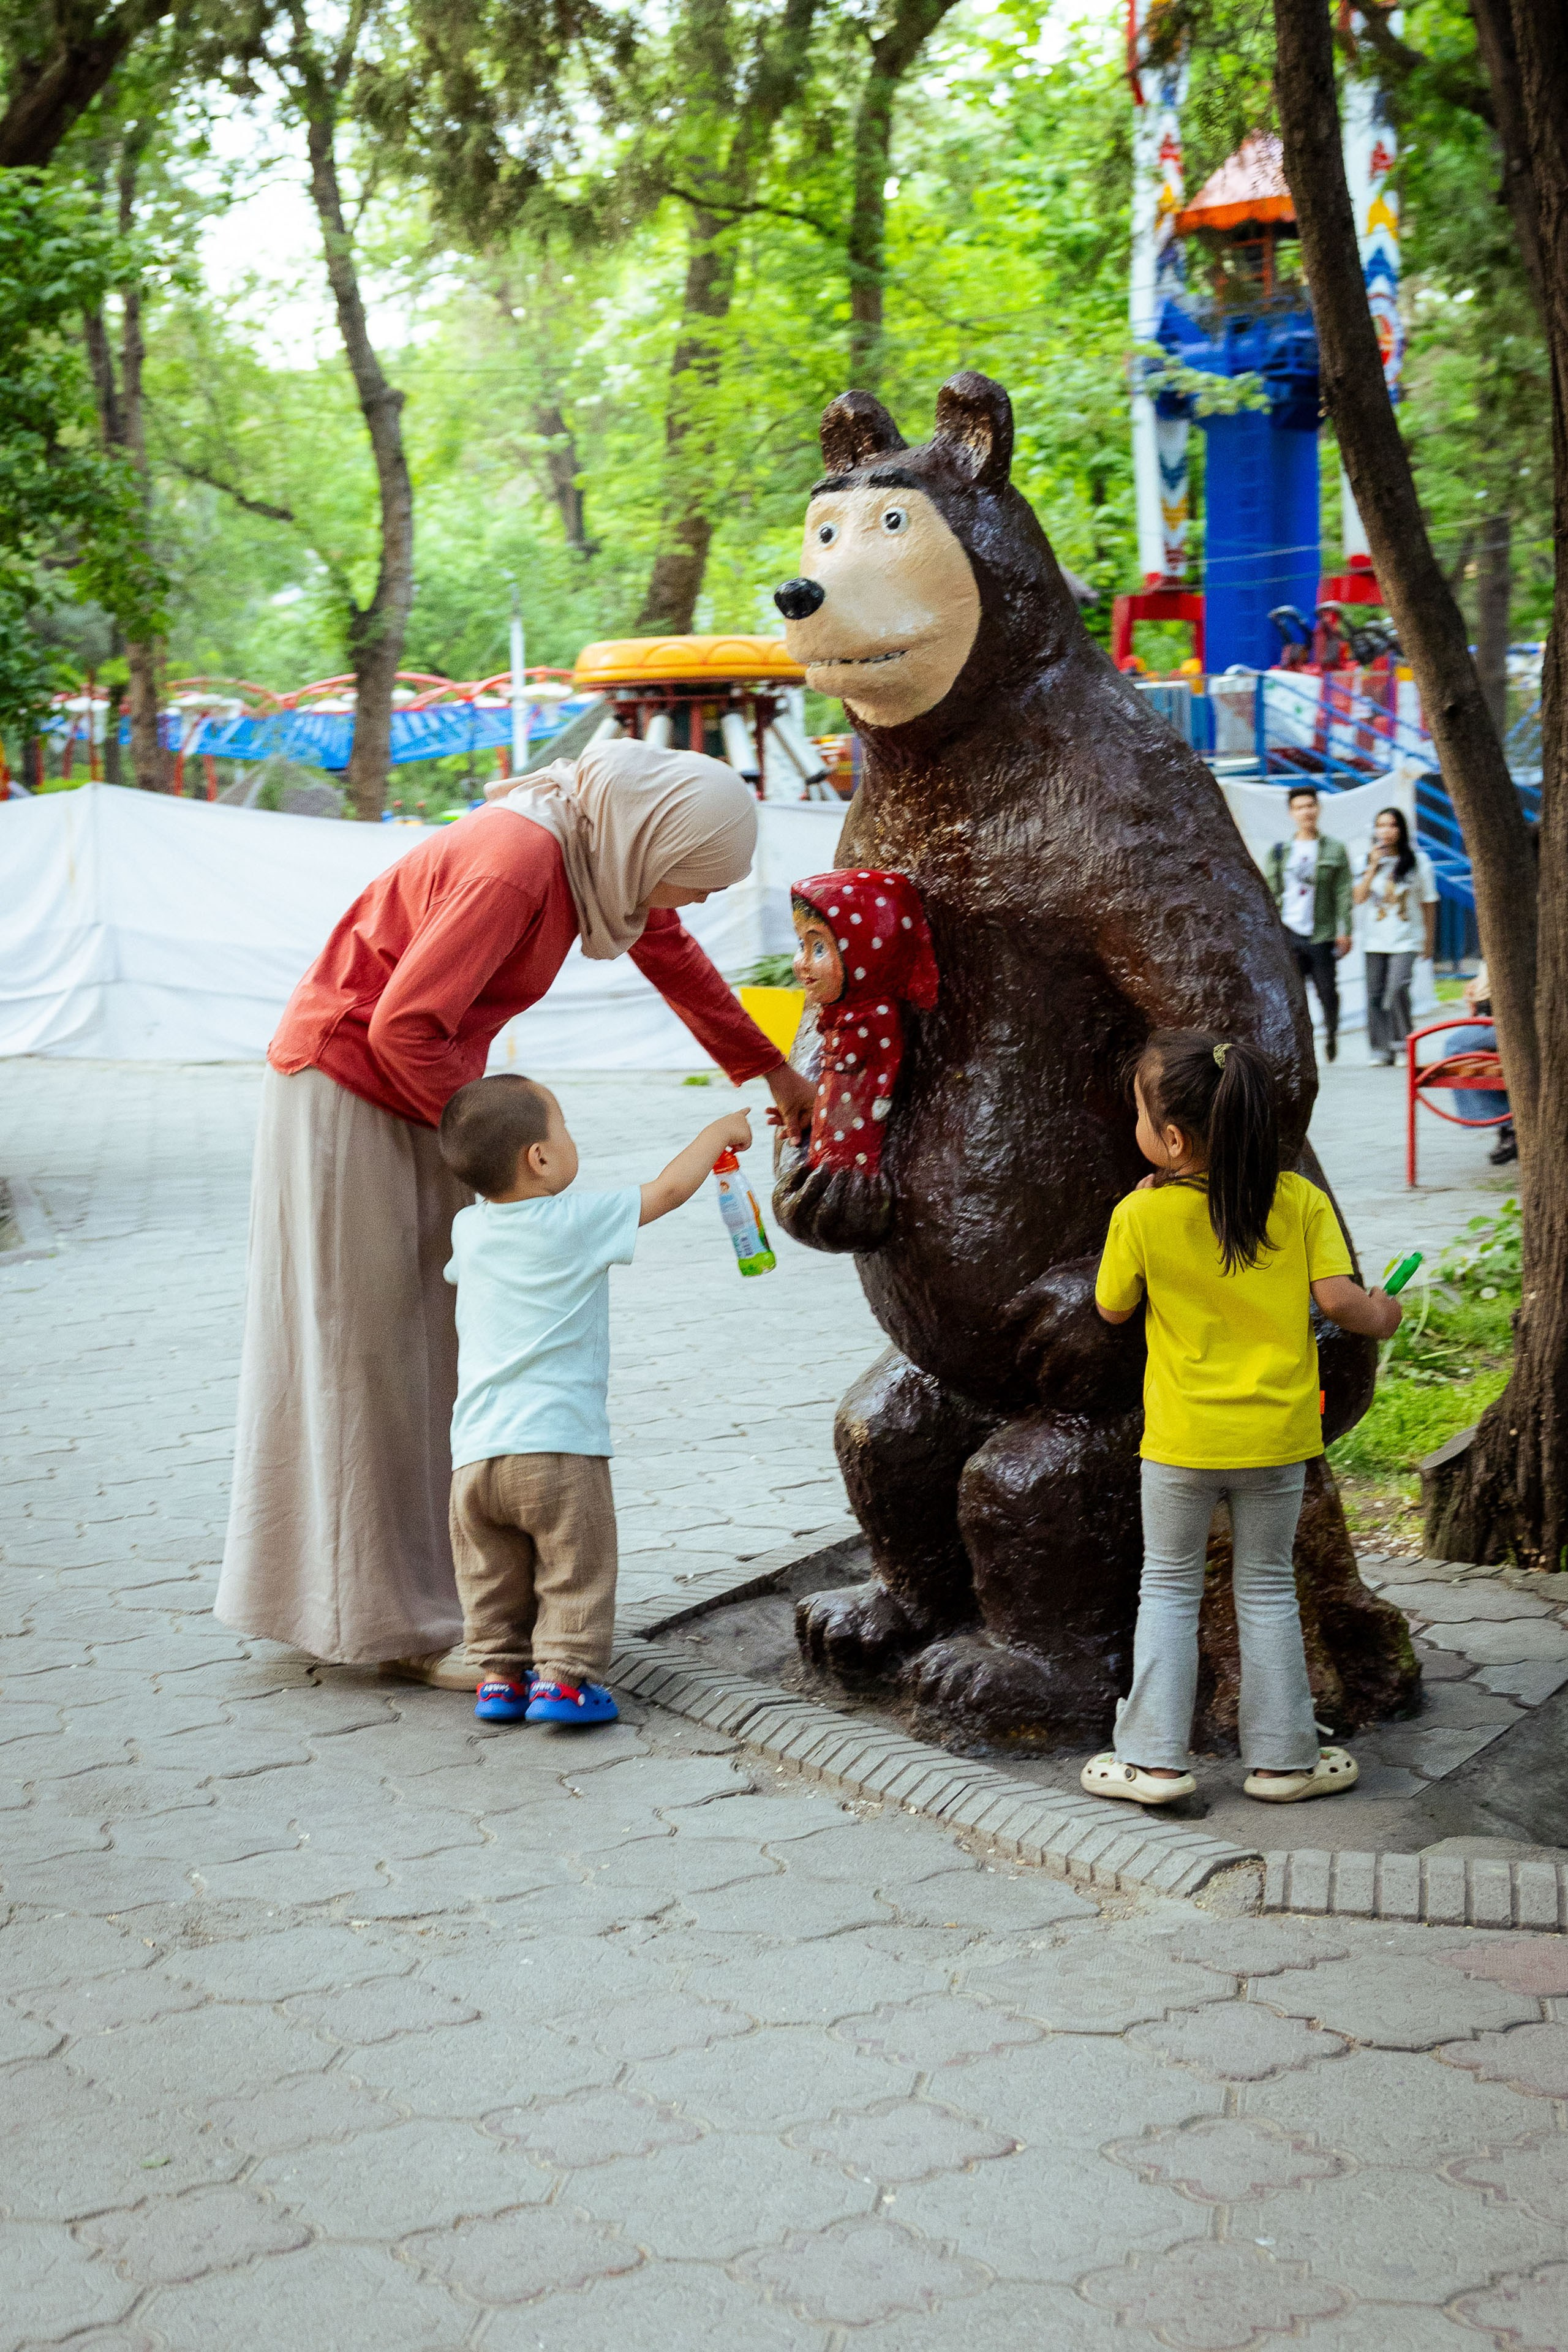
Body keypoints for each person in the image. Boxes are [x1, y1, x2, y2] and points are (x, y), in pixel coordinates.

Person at [216, 739, 816, 1681]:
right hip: (351, 1092)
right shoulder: (520, 863)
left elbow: (671, 953)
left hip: (409, 1090)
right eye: (686, 879)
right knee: (376, 1353)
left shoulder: (587, 846)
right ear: (646, 837)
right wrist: (502, 1166)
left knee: (434, 1344)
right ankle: (402, 1629)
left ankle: (446, 1599)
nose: (687, 900)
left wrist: (772, 1068)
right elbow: (404, 1026)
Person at [1081, 1028, 1401, 1807]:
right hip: (1275, 1439)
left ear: (1173, 1137)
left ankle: (1153, 1764)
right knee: (1265, 1589)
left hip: (1183, 1442)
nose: (1135, 1126)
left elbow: (1111, 1306)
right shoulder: (1297, 1202)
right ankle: (1284, 1762)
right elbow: (1338, 1302)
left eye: (1137, 1113)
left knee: (1167, 1588)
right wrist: (1383, 1314)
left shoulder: (1142, 1214)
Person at [436, 1075, 755, 1727]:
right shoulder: (574, 1220)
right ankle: (565, 1681)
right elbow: (665, 1192)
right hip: (558, 1448)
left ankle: (498, 1677)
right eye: (566, 1130)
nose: (572, 1141)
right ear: (540, 1158)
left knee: (492, 1574)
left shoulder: (469, 1229)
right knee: (575, 1570)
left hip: (473, 1456)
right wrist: (716, 1133)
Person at [1265, 786, 1352, 1061]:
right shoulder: (1280, 852)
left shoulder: (1334, 849)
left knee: (1327, 991)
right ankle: (1301, 1046)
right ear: (1292, 813)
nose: (1307, 812)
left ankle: (1331, 1036)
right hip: (1289, 932)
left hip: (1321, 933)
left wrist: (1345, 930)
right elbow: (1269, 892)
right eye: (1301, 807)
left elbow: (1343, 892)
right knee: (1293, 994)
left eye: (1311, 806)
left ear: (1318, 809)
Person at [1353, 805, 1438, 1063]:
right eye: (1381, 825)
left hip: (1406, 938)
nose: (1386, 831)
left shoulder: (1418, 862)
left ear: (1401, 830)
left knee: (1398, 987)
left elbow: (1429, 902)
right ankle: (1380, 1049)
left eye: (1392, 825)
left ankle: (1403, 1044)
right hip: (1374, 939)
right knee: (1375, 993)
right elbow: (1358, 898)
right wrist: (1372, 866)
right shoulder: (1365, 861)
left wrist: (1428, 940)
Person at [1442, 961, 1515, 1166]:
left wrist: (1481, 994)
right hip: (1495, 1013)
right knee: (1474, 1054)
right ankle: (1508, 1124)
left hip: (1507, 1016)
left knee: (1456, 1048)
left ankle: (1509, 1122)